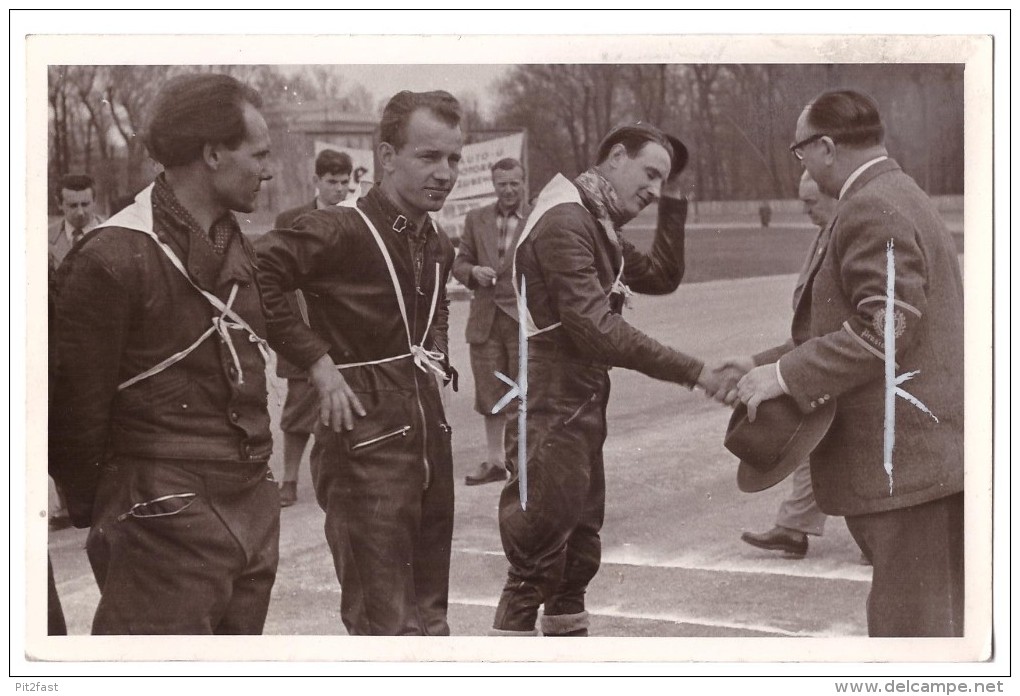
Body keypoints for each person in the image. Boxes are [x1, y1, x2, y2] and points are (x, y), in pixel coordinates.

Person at [49, 73, 279, 634]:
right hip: (160, 516)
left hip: (248, 506)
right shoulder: (112, 255)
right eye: (259, 154)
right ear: (212, 154)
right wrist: (112, 509)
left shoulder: (231, 238)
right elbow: (74, 413)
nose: (268, 169)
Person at [732, 90, 964, 637]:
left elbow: (888, 330)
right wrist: (764, 362)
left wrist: (786, 375)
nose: (804, 165)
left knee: (913, 636)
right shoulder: (897, 192)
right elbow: (861, 323)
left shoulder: (869, 204)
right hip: (920, 461)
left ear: (827, 147)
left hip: (906, 468)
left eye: (801, 152)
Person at [492, 122, 729, 637]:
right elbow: (597, 331)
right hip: (549, 409)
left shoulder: (596, 222)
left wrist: (673, 203)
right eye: (649, 174)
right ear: (615, 157)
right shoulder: (564, 221)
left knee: (575, 559)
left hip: (578, 408)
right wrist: (696, 371)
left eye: (662, 181)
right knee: (535, 563)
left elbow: (663, 274)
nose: (654, 189)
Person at [256, 90, 461, 636]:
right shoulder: (342, 229)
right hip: (362, 440)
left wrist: (435, 348)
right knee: (384, 623)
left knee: (430, 613)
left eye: (453, 158)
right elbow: (258, 273)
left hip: (425, 434)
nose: (445, 173)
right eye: (428, 157)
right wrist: (316, 362)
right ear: (387, 158)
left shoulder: (436, 241)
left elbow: (434, 307)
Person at [740, 172, 837, 559]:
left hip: (857, 366)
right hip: (826, 358)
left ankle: (884, 534)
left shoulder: (850, 235)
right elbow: (811, 328)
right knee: (814, 438)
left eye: (811, 202)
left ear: (835, 194)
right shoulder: (824, 236)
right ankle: (795, 527)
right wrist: (757, 361)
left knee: (854, 442)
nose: (804, 209)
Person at [273, 148, 354, 507]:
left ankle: (344, 476)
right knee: (296, 411)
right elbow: (276, 278)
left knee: (347, 406)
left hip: (345, 330)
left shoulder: (357, 218)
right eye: (331, 182)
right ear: (316, 181)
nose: (338, 189)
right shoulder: (291, 219)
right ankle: (289, 479)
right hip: (302, 326)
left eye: (343, 182)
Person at [452, 157, 531, 486]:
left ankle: (521, 462)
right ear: (493, 184)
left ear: (523, 182)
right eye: (502, 184)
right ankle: (496, 461)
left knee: (523, 392)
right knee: (489, 393)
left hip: (521, 319)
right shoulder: (476, 218)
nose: (509, 190)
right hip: (485, 320)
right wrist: (472, 272)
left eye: (514, 183)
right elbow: (460, 263)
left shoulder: (537, 219)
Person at [48, 173, 105, 268]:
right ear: (59, 203)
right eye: (73, 205)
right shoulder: (46, 237)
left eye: (85, 204)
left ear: (94, 201)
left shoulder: (111, 235)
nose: (80, 212)